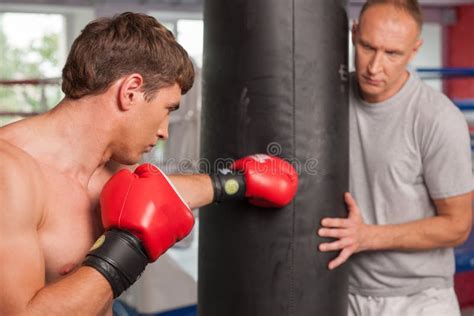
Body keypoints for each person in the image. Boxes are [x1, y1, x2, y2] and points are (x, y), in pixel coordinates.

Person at [0, 12, 298, 315]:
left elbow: (159, 191)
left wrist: (235, 182)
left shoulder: (109, 167)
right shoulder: (9, 173)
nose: (164, 131)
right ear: (130, 91)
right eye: (167, 109)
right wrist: (129, 246)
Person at [317, 0, 473, 315]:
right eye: (367, 47)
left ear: (414, 51)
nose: (375, 67)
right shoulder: (326, 96)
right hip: (344, 291)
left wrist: (368, 236)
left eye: (392, 54)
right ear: (354, 34)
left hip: (419, 299)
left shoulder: (437, 118)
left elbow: (458, 225)